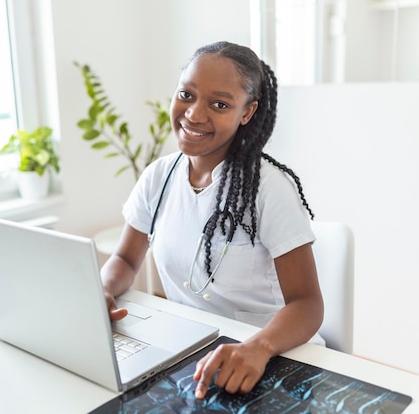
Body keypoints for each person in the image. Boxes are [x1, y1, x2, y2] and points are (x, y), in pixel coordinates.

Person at [100, 41, 324, 399]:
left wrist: (258, 347)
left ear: (247, 112)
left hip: (271, 355)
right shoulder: (158, 176)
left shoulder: (270, 189)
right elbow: (126, 259)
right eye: (186, 95)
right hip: (193, 349)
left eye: (219, 104)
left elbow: (308, 305)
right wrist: (104, 288)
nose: (194, 114)